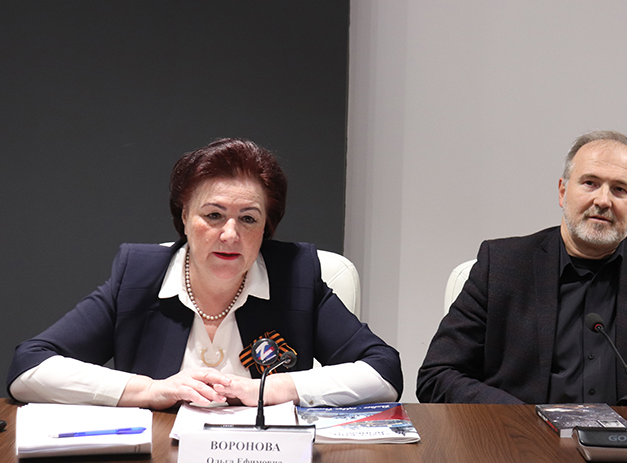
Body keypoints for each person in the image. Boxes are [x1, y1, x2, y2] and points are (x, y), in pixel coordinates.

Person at [7, 138, 402, 409]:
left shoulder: (296, 276)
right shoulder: (139, 276)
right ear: (184, 217)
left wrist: (273, 388)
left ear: (266, 228)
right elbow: (30, 366)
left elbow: (383, 371)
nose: (230, 234)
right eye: (213, 215)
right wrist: (150, 390)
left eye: (248, 218)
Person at [416, 131, 627, 407]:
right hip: (519, 438)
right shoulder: (502, 265)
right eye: (590, 183)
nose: (603, 200)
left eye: (620, 189)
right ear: (562, 191)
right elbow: (438, 375)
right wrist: (522, 421)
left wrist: (624, 419)